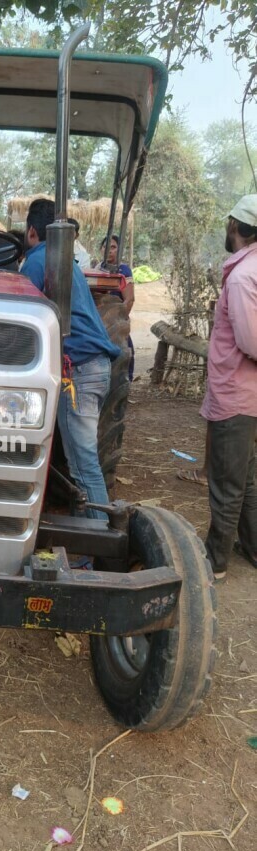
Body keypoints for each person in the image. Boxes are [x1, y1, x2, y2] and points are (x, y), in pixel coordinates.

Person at [21, 199, 120, 519]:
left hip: (79, 370)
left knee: (83, 463)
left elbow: (24, 324)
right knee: (81, 461)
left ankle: (99, 540)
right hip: (95, 365)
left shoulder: (36, 263)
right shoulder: (65, 261)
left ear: (32, 231)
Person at [200, 194, 257, 581]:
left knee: (226, 482)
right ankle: (252, 548)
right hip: (247, 396)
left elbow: (250, 341)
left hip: (235, 397)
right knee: (248, 478)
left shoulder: (241, 277)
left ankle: (215, 562)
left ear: (235, 226)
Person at [100, 233, 135, 379]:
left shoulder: (123, 271)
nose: (109, 250)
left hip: (115, 322)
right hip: (100, 321)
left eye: (113, 247)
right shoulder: (97, 268)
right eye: (105, 247)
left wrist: (119, 322)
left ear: (119, 250)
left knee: (124, 352)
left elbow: (130, 299)